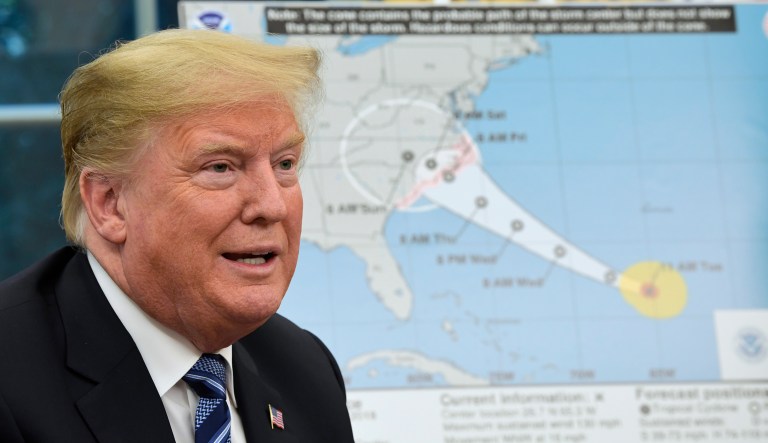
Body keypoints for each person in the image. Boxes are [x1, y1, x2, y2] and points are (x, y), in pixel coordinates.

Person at [0, 29, 354, 442]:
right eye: (220, 167)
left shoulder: (305, 369)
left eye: (285, 164)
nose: (272, 205)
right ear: (110, 203)